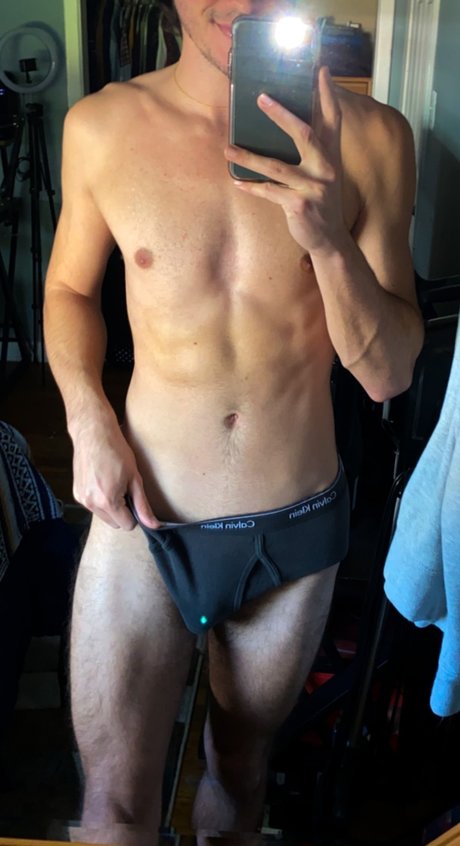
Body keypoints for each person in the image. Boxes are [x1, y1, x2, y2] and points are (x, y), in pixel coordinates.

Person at [43, 1, 424, 843]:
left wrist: (327, 238)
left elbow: (389, 372)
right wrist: (85, 416)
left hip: (291, 529)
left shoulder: (375, 140)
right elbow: (68, 289)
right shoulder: (102, 127)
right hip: (143, 523)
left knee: (240, 777)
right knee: (112, 814)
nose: (242, 3)